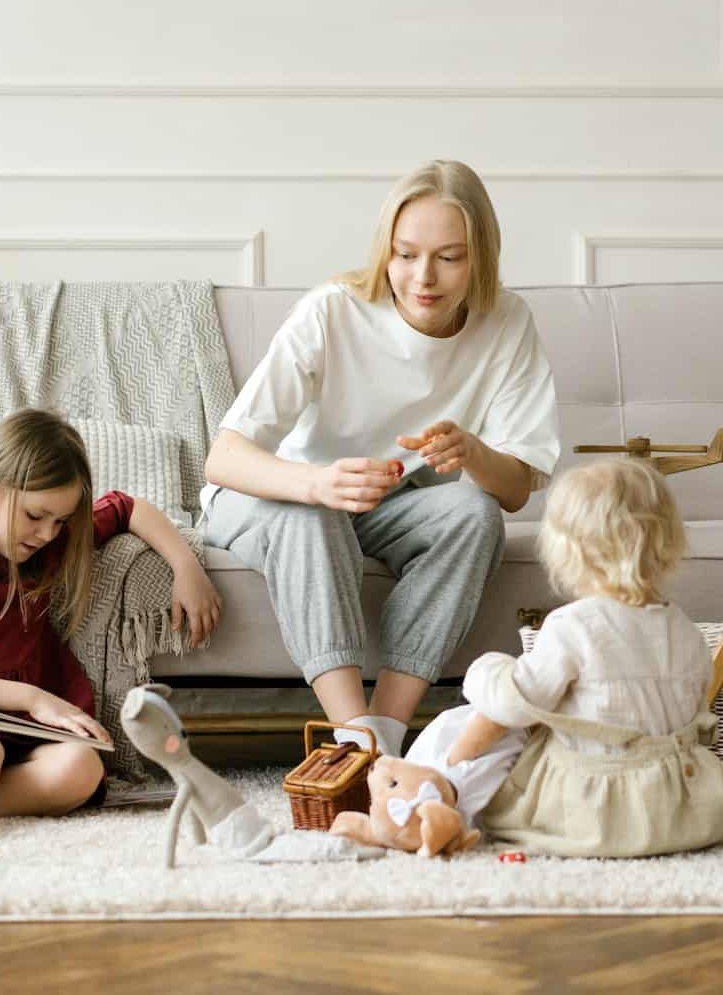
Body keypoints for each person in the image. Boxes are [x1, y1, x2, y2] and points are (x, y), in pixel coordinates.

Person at [202, 160, 560, 759]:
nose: (424, 277)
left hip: (385, 507)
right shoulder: (332, 310)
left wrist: (473, 451)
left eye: (450, 257)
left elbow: (516, 489)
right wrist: (316, 483)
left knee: (475, 511)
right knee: (310, 515)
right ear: (385, 252)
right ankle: (353, 738)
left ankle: (388, 733)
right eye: (405, 254)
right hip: (277, 496)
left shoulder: (507, 321)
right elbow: (225, 457)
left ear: (482, 257)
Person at [0, 408, 222, 864]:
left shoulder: (43, 550)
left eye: (61, 521)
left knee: (82, 768)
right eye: (35, 515)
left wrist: (187, 567)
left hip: (18, 736)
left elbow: (128, 508)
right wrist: (33, 698)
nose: (49, 534)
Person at [410, 457, 723, 857]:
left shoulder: (574, 626)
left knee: (469, 720)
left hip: (597, 815)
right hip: (682, 809)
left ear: (568, 550)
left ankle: (433, 791)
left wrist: (483, 679)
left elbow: (507, 709)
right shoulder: (686, 629)